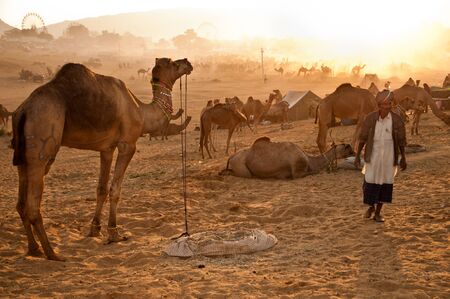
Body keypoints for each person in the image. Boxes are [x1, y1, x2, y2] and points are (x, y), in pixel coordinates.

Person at [354, 89, 407, 222]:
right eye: (384, 104)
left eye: (389, 104)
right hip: (373, 156)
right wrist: (357, 156)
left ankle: (378, 212)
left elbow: (401, 140)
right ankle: (371, 207)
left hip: (389, 157)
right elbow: (363, 138)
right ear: (379, 105)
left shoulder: (397, 120)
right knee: (369, 183)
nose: (387, 106)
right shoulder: (371, 118)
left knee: (385, 184)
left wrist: (403, 158)